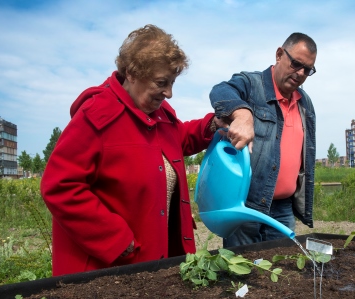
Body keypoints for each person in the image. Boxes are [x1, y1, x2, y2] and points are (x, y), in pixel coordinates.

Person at [41, 24, 222, 276]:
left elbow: (177, 140)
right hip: (110, 268)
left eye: (172, 83)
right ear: (132, 73)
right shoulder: (96, 115)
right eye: (162, 82)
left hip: (158, 258)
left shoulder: (159, 114)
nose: (169, 93)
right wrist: (114, 237)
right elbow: (60, 186)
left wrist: (213, 123)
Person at [209, 33, 317, 247]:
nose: (301, 73)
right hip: (245, 205)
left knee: (282, 274)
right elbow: (220, 90)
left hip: (283, 209)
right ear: (279, 54)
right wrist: (242, 114)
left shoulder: (305, 103)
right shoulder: (251, 84)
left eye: (308, 69)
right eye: (296, 64)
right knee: (242, 272)